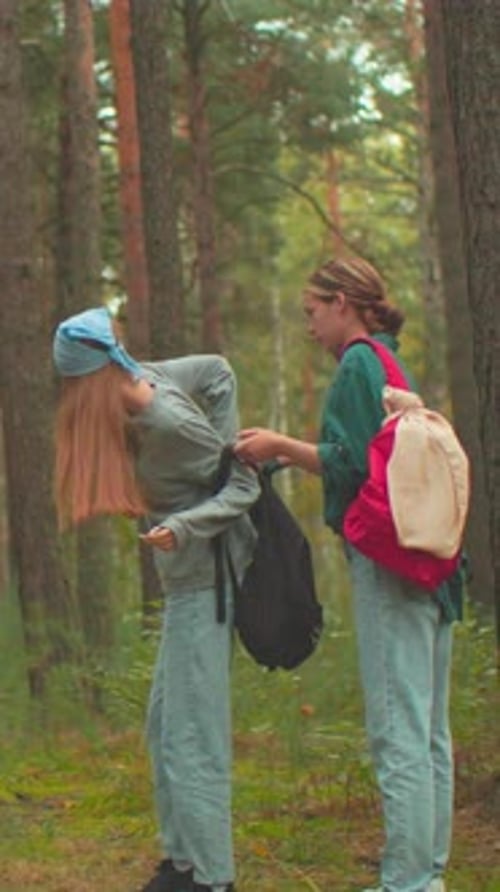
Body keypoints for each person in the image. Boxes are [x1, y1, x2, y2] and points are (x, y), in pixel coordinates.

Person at [234, 257, 459, 892]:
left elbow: (354, 462)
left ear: (342, 303)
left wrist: (278, 446)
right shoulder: (388, 361)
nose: (309, 328)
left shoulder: (361, 361)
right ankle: (426, 875)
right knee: (428, 733)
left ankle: (408, 883)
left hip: (393, 566)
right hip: (430, 562)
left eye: (311, 313)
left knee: (398, 732)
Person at [53, 306, 260, 892]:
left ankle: (213, 879)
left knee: (195, 737)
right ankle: (182, 862)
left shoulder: (169, 424)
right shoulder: (141, 376)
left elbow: (243, 484)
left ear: (88, 379)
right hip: (186, 583)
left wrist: (188, 522)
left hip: (208, 580)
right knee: (164, 726)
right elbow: (218, 371)